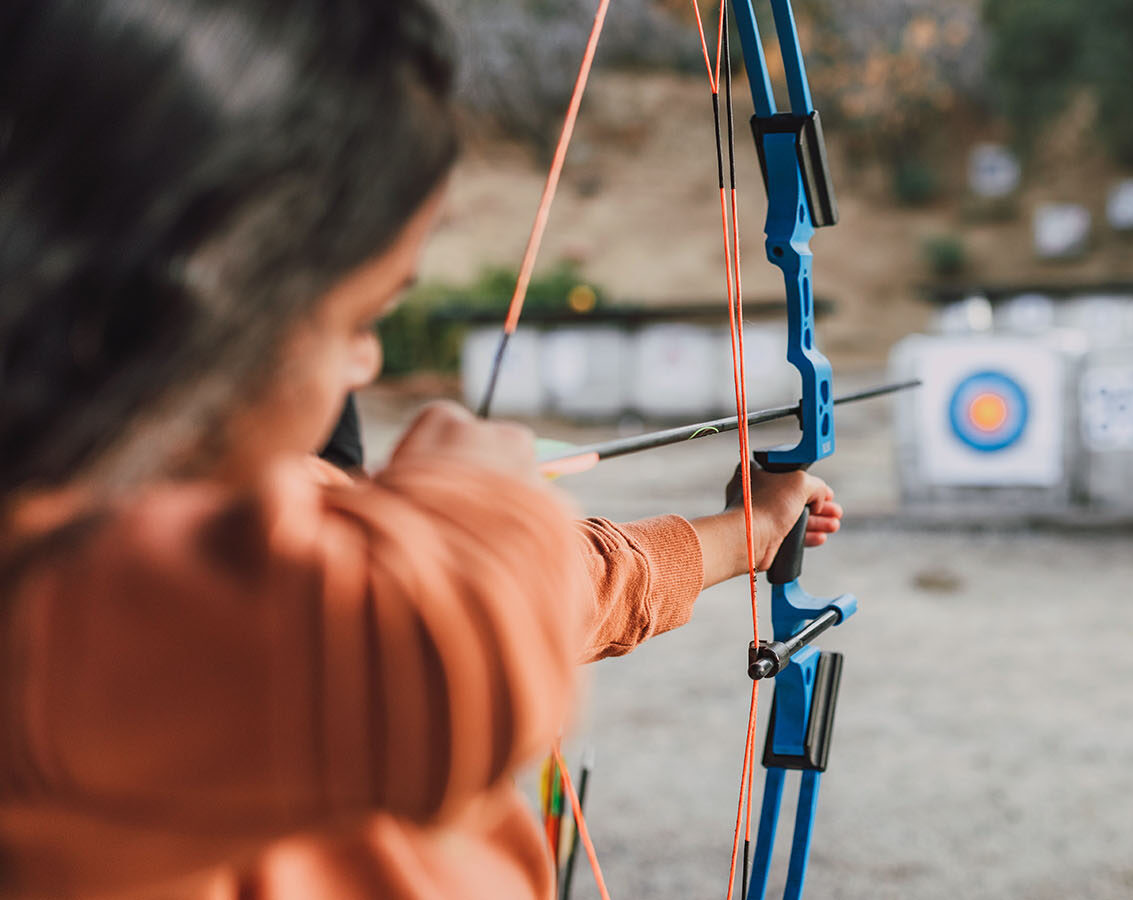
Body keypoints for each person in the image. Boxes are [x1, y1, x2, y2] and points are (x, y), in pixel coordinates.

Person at [0, 1, 842, 897]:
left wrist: (743, 535)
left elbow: (560, 587)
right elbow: (458, 638)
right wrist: (469, 483)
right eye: (358, 320)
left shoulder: (254, 529)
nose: (366, 362)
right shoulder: (66, 598)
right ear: (193, 302)